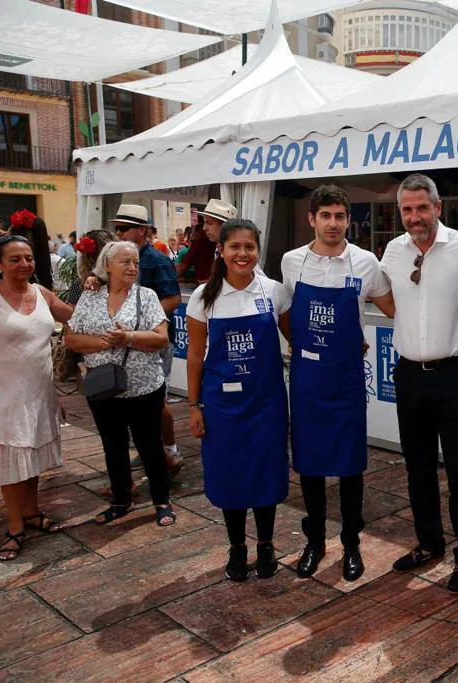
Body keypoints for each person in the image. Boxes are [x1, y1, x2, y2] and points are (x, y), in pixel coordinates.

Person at [281, 185, 394, 581]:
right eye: (325, 215)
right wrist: (302, 344)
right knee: (309, 464)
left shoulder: (366, 262)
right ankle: (314, 542)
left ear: (349, 220)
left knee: (350, 466)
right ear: (312, 219)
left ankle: (351, 543)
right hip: (308, 376)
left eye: (340, 216)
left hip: (346, 378)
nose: (333, 223)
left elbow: (393, 306)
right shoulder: (291, 262)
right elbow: (285, 311)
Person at [379, 173, 458, 592]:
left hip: (456, 372)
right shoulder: (392, 250)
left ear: (439, 207)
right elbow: (386, 300)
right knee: (417, 465)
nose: (415, 217)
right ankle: (429, 542)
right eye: (408, 209)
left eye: (423, 207)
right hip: (409, 374)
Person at [187, 219, 290, 581]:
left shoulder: (274, 291)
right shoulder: (204, 297)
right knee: (229, 475)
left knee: (264, 473)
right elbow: (196, 357)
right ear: (222, 250)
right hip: (222, 406)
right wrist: (193, 406)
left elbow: (297, 337)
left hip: (267, 404)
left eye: (249, 247)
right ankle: (237, 547)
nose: (242, 254)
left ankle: (265, 545)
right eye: (235, 247)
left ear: (258, 251)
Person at [0, 235, 73, 559]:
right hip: (4, 393)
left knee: (31, 454)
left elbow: (72, 315)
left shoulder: (42, 292)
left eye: (28, 258)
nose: (24, 264)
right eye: (14, 259)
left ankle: (32, 513)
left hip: (39, 390)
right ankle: (14, 527)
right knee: (10, 461)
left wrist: (97, 288)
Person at [65, 241, 176, 527]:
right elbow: (71, 339)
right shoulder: (90, 296)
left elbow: (161, 338)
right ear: (107, 266)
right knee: (112, 446)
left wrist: (128, 338)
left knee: (150, 445)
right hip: (103, 388)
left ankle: (162, 500)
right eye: (125, 262)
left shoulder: (146, 296)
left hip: (143, 388)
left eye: (136, 262)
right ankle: (121, 500)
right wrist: (106, 341)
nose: (133, 267)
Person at [109, 204, 184, 477]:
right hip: (128, 343)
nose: (119, 233)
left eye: (124, 228)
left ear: (141, 231)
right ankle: (150, 451)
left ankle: (170, 450)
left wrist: (144, 322)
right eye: (117, 228)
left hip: (154, 342)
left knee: (156, 399)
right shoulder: (118, 259)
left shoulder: (157, 260)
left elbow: (173, 299)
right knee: (135, 399)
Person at [177, 199, 235, 283]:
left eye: (209, 223)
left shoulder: (235, 252)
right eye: (204, 223)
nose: (204, 228)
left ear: (224, 226)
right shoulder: (218, 247)